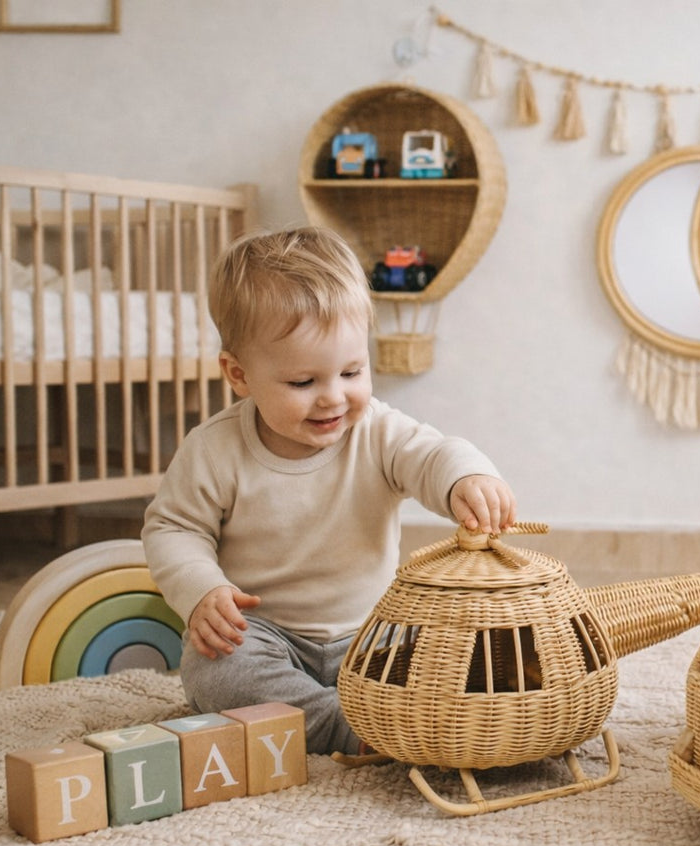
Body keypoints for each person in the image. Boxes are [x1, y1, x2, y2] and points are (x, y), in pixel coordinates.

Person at [143, 226, 516, 756]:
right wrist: (202, 589)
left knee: (455, 651)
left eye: (351, 371)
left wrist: (467, 478)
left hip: (376, 635)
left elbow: (430, 454)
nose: (333, 398)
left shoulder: (378, 433)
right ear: (239, 374)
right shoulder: (214, 450)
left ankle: (385, 710)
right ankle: (348, 726)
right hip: (266, 634)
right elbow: (174, 528)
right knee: (215, 672)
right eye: (303, 383)